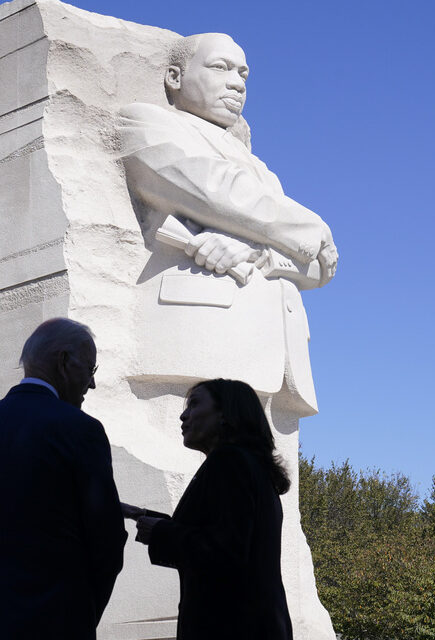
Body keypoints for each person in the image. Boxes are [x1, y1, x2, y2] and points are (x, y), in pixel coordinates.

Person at [119, 32, 338, 414]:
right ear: (174, 77)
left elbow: (322, 267)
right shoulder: (145, 121)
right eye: (220, 68)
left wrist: (258, 251)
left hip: (277, 355)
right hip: (198, 336)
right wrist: (313, 226)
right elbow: (215, 190)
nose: (237, 83)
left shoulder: (262, 170)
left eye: (243, 74)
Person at [0, 318, 127, 640]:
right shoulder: (80, 429)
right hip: (52, 622)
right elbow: (107, 545)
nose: (92, 385)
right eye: (91, 370)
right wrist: (80, 616)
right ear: (64, 362)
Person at [124, 379, 295, 640]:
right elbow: (221, 535)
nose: (183, 415)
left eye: (194, 404)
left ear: (225, 414)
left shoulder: (229, 462)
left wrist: (160, 532)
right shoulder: (252, 468)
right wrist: (144, 518)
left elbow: (226, 551)